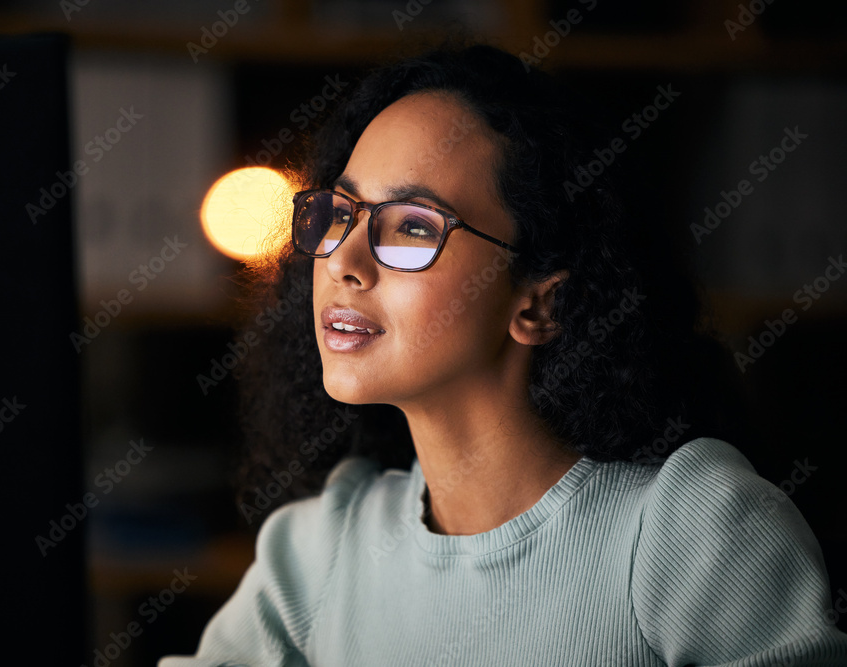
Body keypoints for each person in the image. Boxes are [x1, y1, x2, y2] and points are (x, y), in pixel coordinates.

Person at [161, 42, 847, 666]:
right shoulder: (316, 552)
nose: (343, 257)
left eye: (411, 226)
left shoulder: (689, 528)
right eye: (339, 212)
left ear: (539, 304)